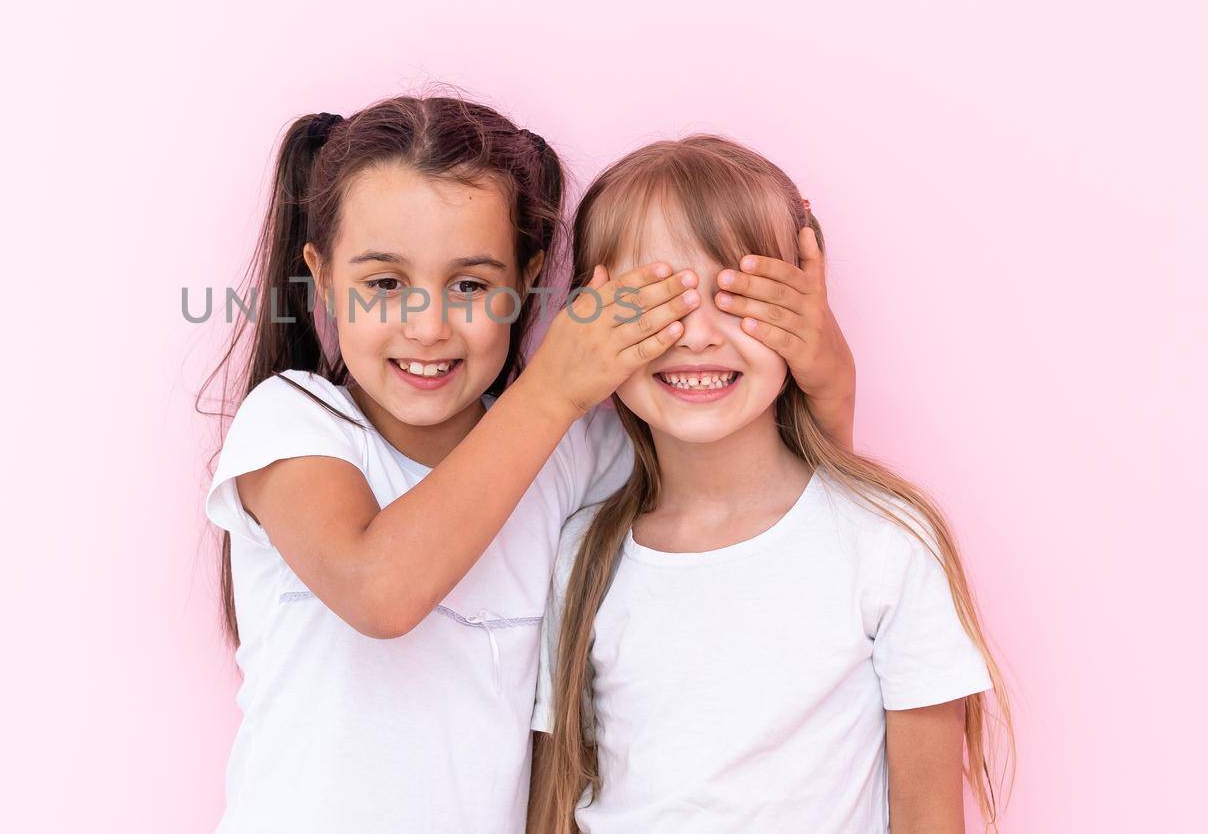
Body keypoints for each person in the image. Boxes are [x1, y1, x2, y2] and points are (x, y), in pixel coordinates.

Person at [200, 99, 857, 833]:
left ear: (529, 282)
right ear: (321, 278)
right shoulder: (294, 422)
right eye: (384, 283)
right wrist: (552, 387)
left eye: (472, 285)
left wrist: (829, 374)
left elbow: (768, 503)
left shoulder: (573, 456)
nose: (428, 324)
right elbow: (378, 589)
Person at [529, 135, 1013, 834]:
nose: (695, 336)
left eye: (734, 295)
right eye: (658, 301)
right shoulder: (581, 554)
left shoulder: (889, 541)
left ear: (802, 309)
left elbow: (929, 817)